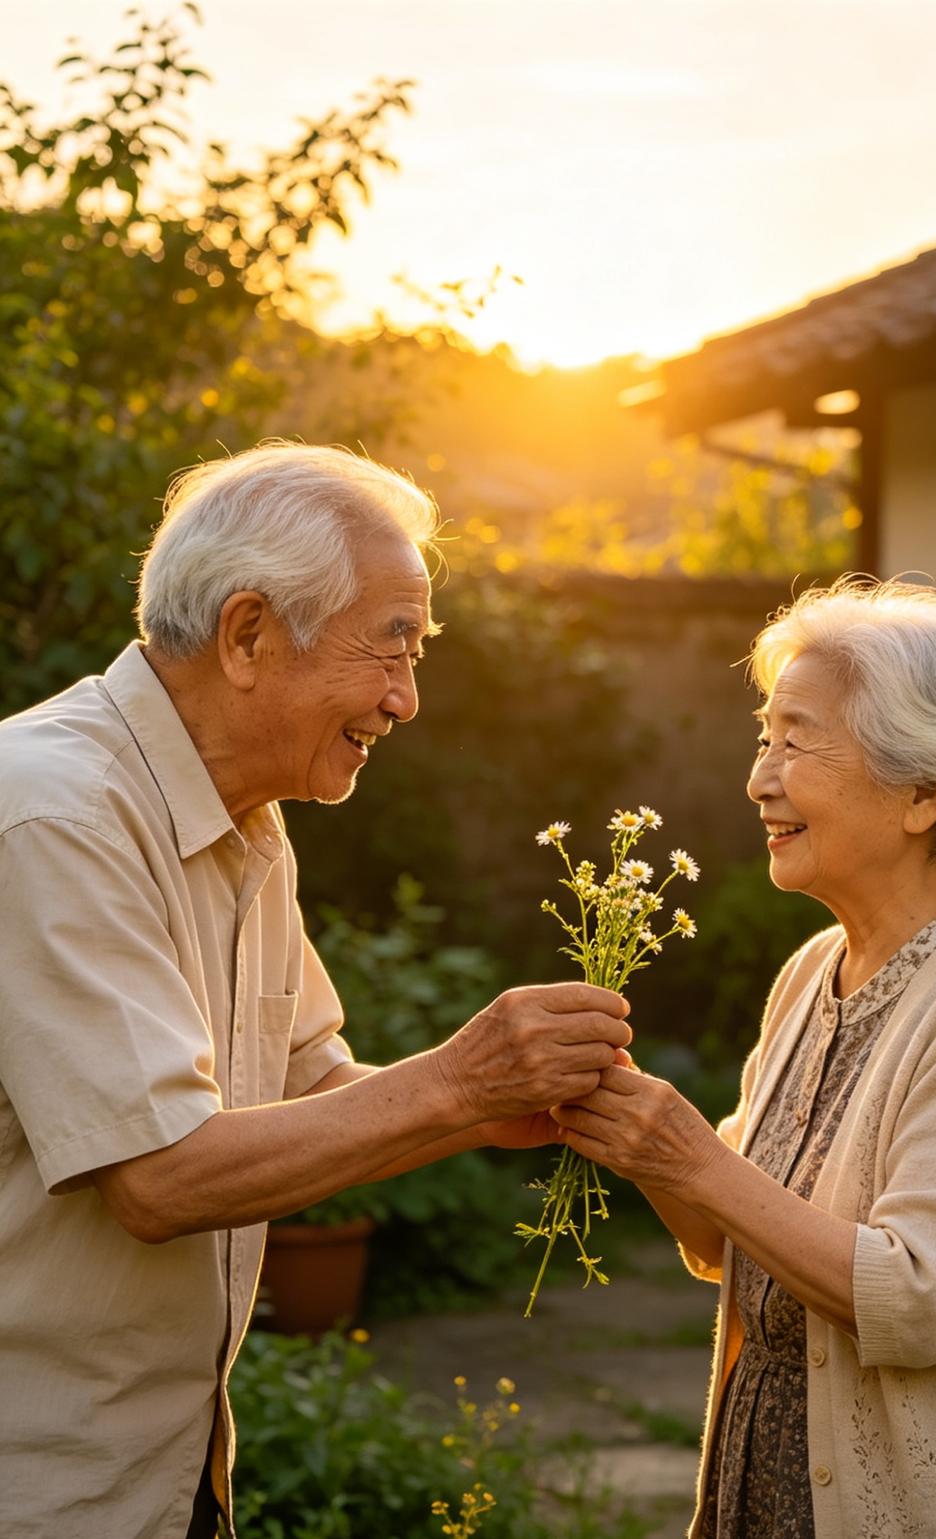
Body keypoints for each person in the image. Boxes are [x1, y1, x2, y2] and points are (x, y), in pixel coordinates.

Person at [0, 443, 631, 1539]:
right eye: (390, 647)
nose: (408, 698)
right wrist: (457, 1084)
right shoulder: (52, 812)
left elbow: (315, 1080)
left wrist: (491, 1112)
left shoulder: (248, 816)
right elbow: (158, 1177)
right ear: (247, 635)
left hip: (166, 1470)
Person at [553, 578, 936, 1539]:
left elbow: (916, 1299)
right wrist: (625, 1122)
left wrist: (689, 1153)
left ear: (923, 790)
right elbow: (723, 1240)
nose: (758, 778)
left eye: (796, 741)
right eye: (763, 737)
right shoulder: (817, 966)